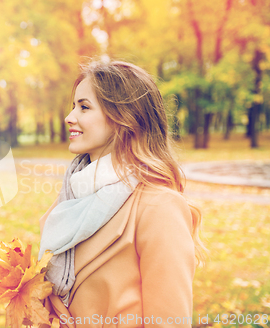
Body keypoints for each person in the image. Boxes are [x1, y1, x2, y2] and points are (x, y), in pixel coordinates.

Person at [38, 58, 208, 328]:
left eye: (84, 107)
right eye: (73, 106)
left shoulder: (159, 207)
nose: (70, 117)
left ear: (122, 119)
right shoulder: (69, 198)